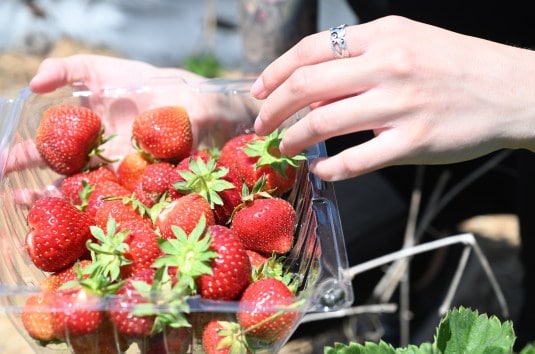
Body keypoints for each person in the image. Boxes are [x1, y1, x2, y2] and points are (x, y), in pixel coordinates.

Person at [26, 6, 535, 350]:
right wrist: (238, 106)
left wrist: (515, 90)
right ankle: (434, 263)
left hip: (511, 102)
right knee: (314, 270)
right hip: (395, 96)